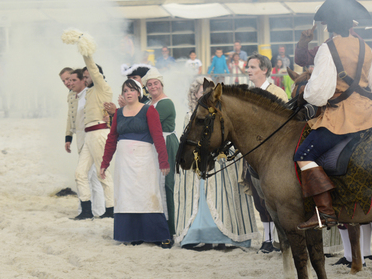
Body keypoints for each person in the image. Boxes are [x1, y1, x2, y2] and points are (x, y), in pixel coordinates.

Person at [292, 0, 372, 231]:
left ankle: (325, 213)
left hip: (342, 118)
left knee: (303, 154)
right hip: (370, 115)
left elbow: (318, 93)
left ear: (329, 25)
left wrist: (308, 97)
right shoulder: (366, 47)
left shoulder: (327, 48)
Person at [175, 77, 259, 249]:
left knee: (226, 198)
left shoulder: (222, 116)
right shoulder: (188, 117)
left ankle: (226, 237)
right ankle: (204, 236)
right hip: (202, 163)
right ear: (195, 95)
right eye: (201, 92)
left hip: (223, 161)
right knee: (203, 201)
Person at [100, 79, 172, 247]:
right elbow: (111, 139)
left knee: (147, 195)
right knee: (127, 196)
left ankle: (160, 235)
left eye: (132, 90)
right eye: (125, 90)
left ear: (139, 93)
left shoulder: (149, 110)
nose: (129, 93)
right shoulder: (118, 114)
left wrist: (163, 161)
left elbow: (158, 136)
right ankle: (134, 235)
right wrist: (105, 162)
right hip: (124, 162)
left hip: (145, 160)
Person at [65, 38, 115, 220]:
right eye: (84, 77)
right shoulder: (88, 92)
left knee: (103, 172)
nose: (85, 80)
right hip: (89, 134)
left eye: (87, 77)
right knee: (80, 173)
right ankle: (86, 209)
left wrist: (86, 52)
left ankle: (110, 208)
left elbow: (93, 69)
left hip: (100, 133)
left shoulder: (103, 88)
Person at [245, 53, 288, 251]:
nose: (248, 70)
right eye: (248, 67)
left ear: (265, 70)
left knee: (274, 198)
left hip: (272, 155)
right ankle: (267, 239)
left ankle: (281, 238)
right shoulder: (247, 94)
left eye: (253, 67)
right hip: (252, 155)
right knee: (259, 200)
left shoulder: (277, 92)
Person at [62, 67, 107, 215]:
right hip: (82, 138)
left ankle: (92, 209)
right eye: (65, 80)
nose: (68, 83)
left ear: (83, 80)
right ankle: (93, 209)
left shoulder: (90, 94)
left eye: (71, 79)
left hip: (92, 138)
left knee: (90, 175)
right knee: (90, 175)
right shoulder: (73, 96)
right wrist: (68, 136)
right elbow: (71, 118)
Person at [141, 67, 179, 239]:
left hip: (165, 144)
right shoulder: (149, 104)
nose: (153, 87)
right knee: (155, 184)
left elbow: (148, 124)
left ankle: (170, 227)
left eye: (155, 83)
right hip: (154, 144)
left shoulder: (166, 103)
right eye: (149, 84)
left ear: (161, 84)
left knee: (167, 185)